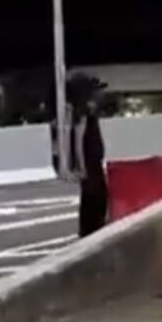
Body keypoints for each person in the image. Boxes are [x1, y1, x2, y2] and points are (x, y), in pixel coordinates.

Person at [49, 73, 108, 237]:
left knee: (97, 196)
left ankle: (92, 230)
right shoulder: (78, 116)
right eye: (94, 92)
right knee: (94, 196)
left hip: (92, 161)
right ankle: (90, 232)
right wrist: (79, 166)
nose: (99, 95)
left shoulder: (85, 114)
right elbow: (77, 142)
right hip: (88, 163)